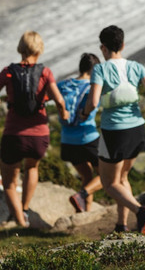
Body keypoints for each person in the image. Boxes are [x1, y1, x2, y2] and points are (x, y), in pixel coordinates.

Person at [0, 30, 68, 228]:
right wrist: (64, 115)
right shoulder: (45, 72)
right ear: (39, 49)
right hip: (39, 135)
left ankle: (20, 222)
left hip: (14, 135)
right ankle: (25, 210)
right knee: (32, 167)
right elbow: (60, 101)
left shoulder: (9, 72)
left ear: (21, 48)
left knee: (9, 183)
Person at [79, 25, 145, 236]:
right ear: (123, 45)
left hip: (113, 131)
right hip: (137, 128)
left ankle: (140, 211)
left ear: (103, 48)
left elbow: (94, 101)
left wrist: (84, 113)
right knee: (123, 178)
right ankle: (121, 225)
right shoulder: (136, 66)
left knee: (108, 182)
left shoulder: (100, 69)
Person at [57, 52, 104, 213]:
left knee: (87, 176)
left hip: (68, 141)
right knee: (108, 177)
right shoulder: (95, 87)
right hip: (89, 139)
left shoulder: (63, 85)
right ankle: (81, 195)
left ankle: (84, 212)